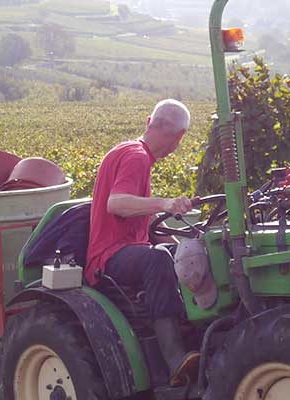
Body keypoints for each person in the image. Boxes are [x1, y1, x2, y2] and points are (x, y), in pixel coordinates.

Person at [86, 98, 197, 385]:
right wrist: (166, 203)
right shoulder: (136, 156)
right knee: (158, 258)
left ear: (149, 121)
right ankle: (174, 358)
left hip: (128, 249)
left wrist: (177, 241)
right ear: (179, 137)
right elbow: (117, 204)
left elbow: (139, 220)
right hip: (108, 257)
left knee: (181, 251)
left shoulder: (133, 152)